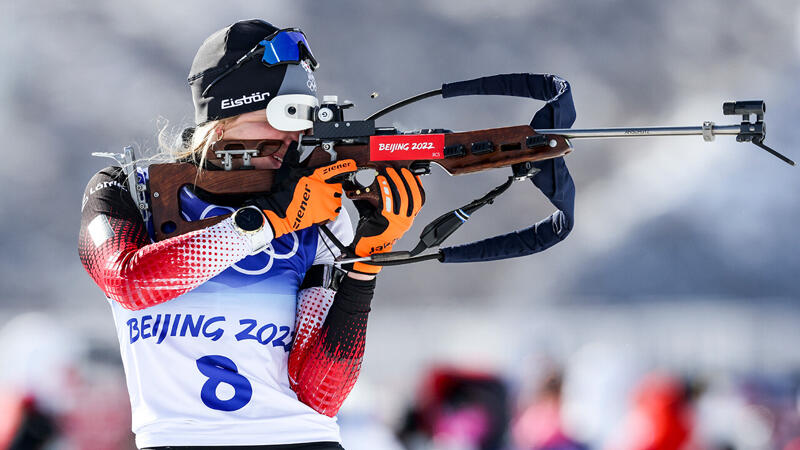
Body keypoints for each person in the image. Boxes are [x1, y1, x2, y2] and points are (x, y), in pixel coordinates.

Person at [78, 19, 424, 450]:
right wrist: (269, 221)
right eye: (280, 117)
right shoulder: (129, 190)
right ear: (223, 121)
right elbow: (129, 282)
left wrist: (366, 264)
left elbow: (319, 394)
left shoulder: (319, 213)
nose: (294, 138)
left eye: (304, 119)